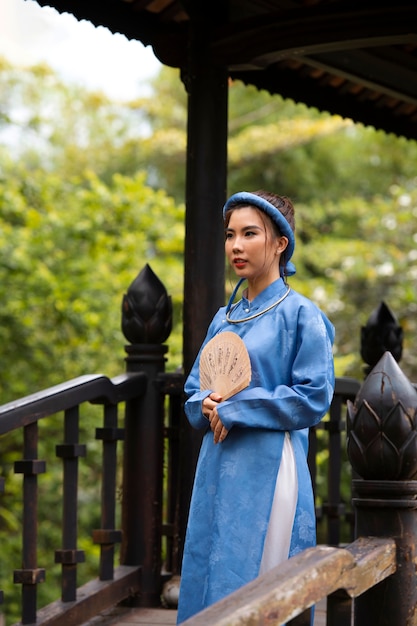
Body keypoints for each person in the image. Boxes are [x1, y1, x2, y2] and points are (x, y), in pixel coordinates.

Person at [177, 190, 335, 623]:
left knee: (263, 580)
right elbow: (194, 389)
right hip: (217, 463)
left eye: (250, 233)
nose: (236, 246)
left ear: (280, 243)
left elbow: (313, 397)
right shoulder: (223, 318)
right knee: (211, 565)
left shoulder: (303, 315)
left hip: (269, 465)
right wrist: (205, 403)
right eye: (230, 235)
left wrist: (238, 407)